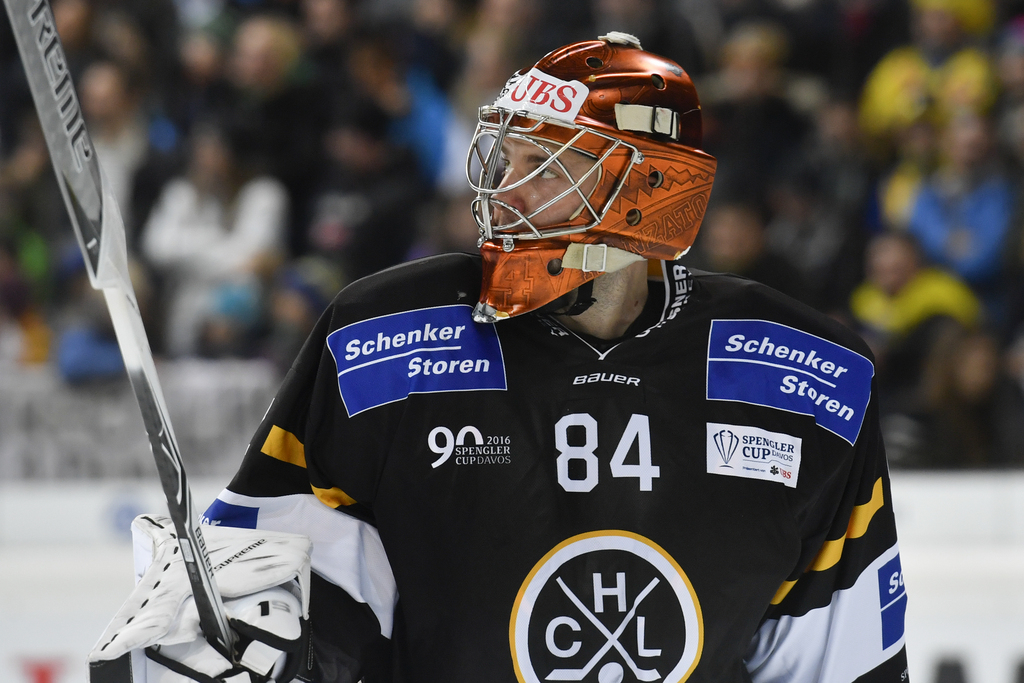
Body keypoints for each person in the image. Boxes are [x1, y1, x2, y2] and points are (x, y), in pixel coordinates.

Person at [90, 34, 908, 682]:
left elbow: (841, 659)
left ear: (646, 193)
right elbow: (286, 582)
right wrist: (250, 636)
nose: (502, 191)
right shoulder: (384, 337)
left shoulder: (808, 378)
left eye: (545, 165)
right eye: (505, 155)